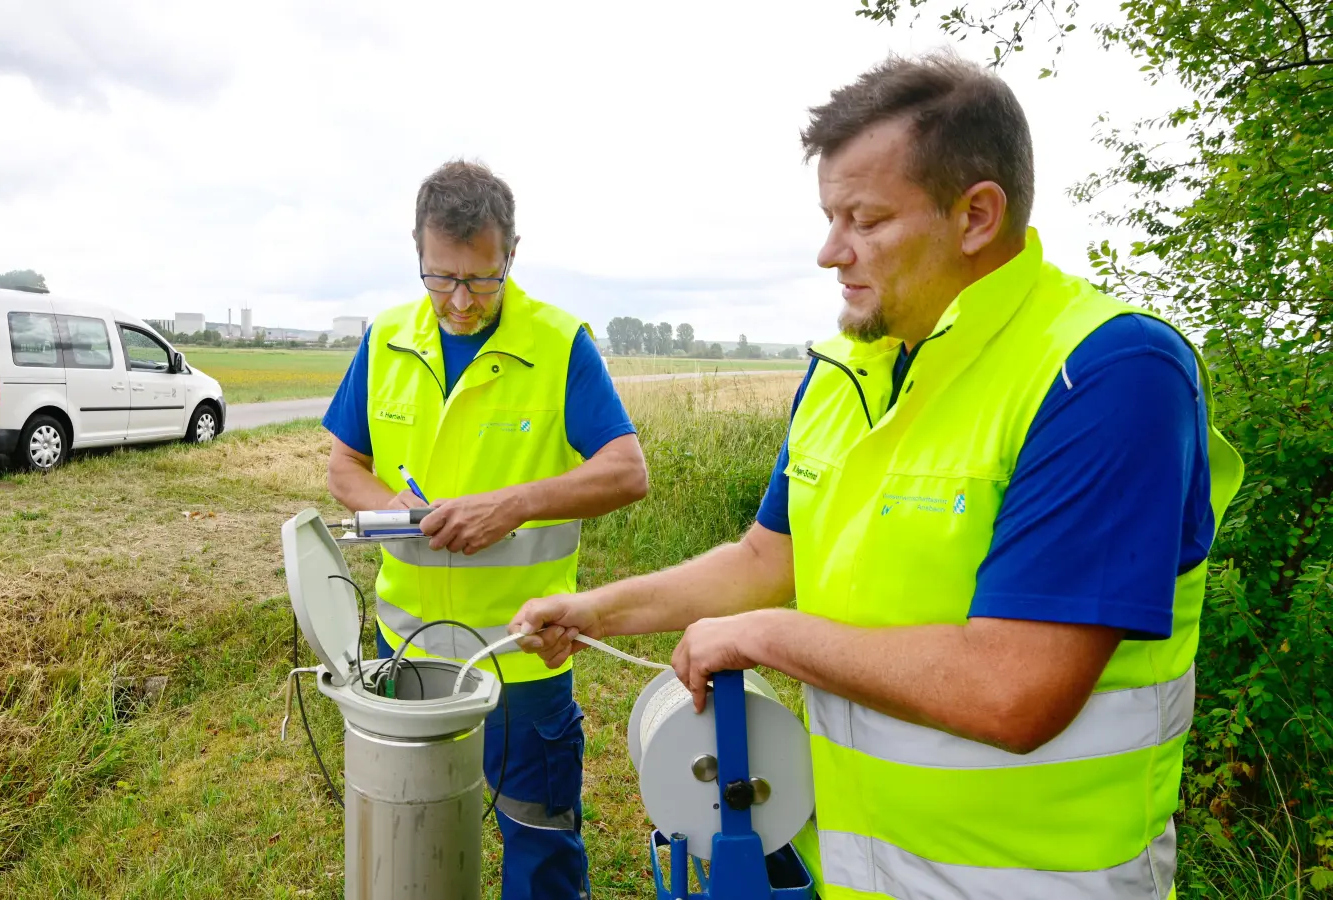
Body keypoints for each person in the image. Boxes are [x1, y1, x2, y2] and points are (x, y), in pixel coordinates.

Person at [511, 53, 1243, 899]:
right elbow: (764, 560)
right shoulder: (846, 375)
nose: (831, 252)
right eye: (829, 217)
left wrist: (764, 637)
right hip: (856, 873)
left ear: (975, 215)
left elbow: (1014, 689)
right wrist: (596, 609)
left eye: (863, 219)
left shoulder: (1108, 374)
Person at [321, 159, 648, 899]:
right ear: (417, 254)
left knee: (538, 838)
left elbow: (628, 471)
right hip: (405, 645)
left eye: (481, 279)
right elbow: (345, 467)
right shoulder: (385, 339)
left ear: (512, 253)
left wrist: (515, 503)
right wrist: (403, 517)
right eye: (440, 279)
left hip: (521, 654)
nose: (460, 302)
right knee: (412, 834)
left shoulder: (561, 343)